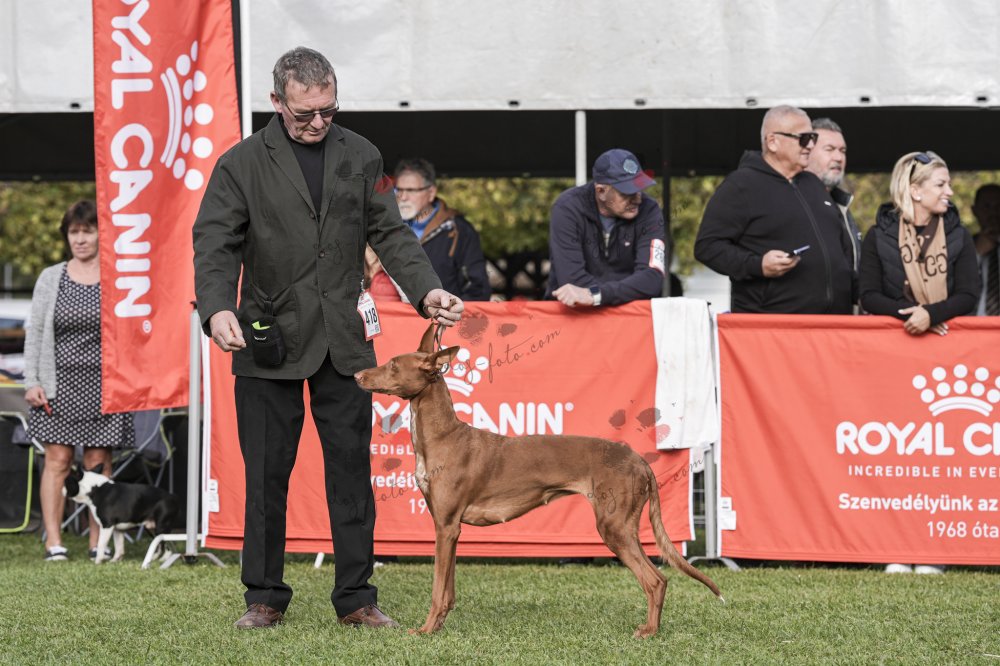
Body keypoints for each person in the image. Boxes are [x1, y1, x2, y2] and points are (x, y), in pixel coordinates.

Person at [192, 46, 463, 630]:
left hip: (345, 342)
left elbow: (390, 233)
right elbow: (214, 242)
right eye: (304, 113)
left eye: (328, 110)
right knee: (266, 474)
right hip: (268, 339)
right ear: (276, 102)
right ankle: (264, 597)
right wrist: (216, 308)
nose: (318, 122)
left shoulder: (361, 154)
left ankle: (357, 598)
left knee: (351, 473)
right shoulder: (240, 164)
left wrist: (427, 292)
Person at [23, 200, 135, 562]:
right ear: (67, 236)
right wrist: (32, 380)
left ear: (102, 234)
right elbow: (35, 333)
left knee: (98, 459)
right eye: (74, 232)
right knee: (57, 459)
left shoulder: (118, 277)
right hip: (59, 383)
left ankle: (98, 542)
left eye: (88, 231)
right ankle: (54, 542)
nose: (81, 239)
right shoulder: (51, 277)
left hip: (107, 384)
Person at [694, 105, 855, 314]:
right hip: (773, 324)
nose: (810, 145)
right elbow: (707, 247)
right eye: (803, 138)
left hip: (833, 323)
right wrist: (757, 265)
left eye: (813, 138)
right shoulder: (741, 185)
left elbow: (841, 251)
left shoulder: (814, 185)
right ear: (772, 142)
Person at [859, 151, 978, 339]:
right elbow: (869, 296)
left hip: (947, 341)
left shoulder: (959, 234)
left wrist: (931, 315)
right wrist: (914, 315)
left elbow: (968, 295)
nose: (949, 192)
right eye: (940, 184)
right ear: (915, 191)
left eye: (949, 184)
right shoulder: (878, 235)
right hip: (895, 341)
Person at [546, 148, 667, 307]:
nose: (637, 199)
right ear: (601, 191)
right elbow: (571, 281)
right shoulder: (567, 208)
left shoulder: (650, 210)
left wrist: (597, 295)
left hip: (627, 316)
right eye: (627, 193)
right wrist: (624, 292)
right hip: (573, 315)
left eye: (639, 189)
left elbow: (652, 279)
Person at [393, 158, 492, 301]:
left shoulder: (460, 231)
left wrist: (450, 312)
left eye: (411, 190)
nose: (403, 197)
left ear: (431, 192)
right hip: (391, 315)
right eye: (399, 190)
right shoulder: (386, 227)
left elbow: (477, 289)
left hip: (443, 314)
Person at [806, 117, 863, 273]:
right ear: (806, 152)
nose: (838, 157)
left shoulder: (842, 206)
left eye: (842, 151)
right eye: (829, 149)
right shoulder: (791, 202)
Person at [971, 184, 1000, 315]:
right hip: (972, 324)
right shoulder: (962, 247)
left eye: (998, 206)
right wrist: (976, 254)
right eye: (987, 207)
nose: (993, 213)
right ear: (974, 211)